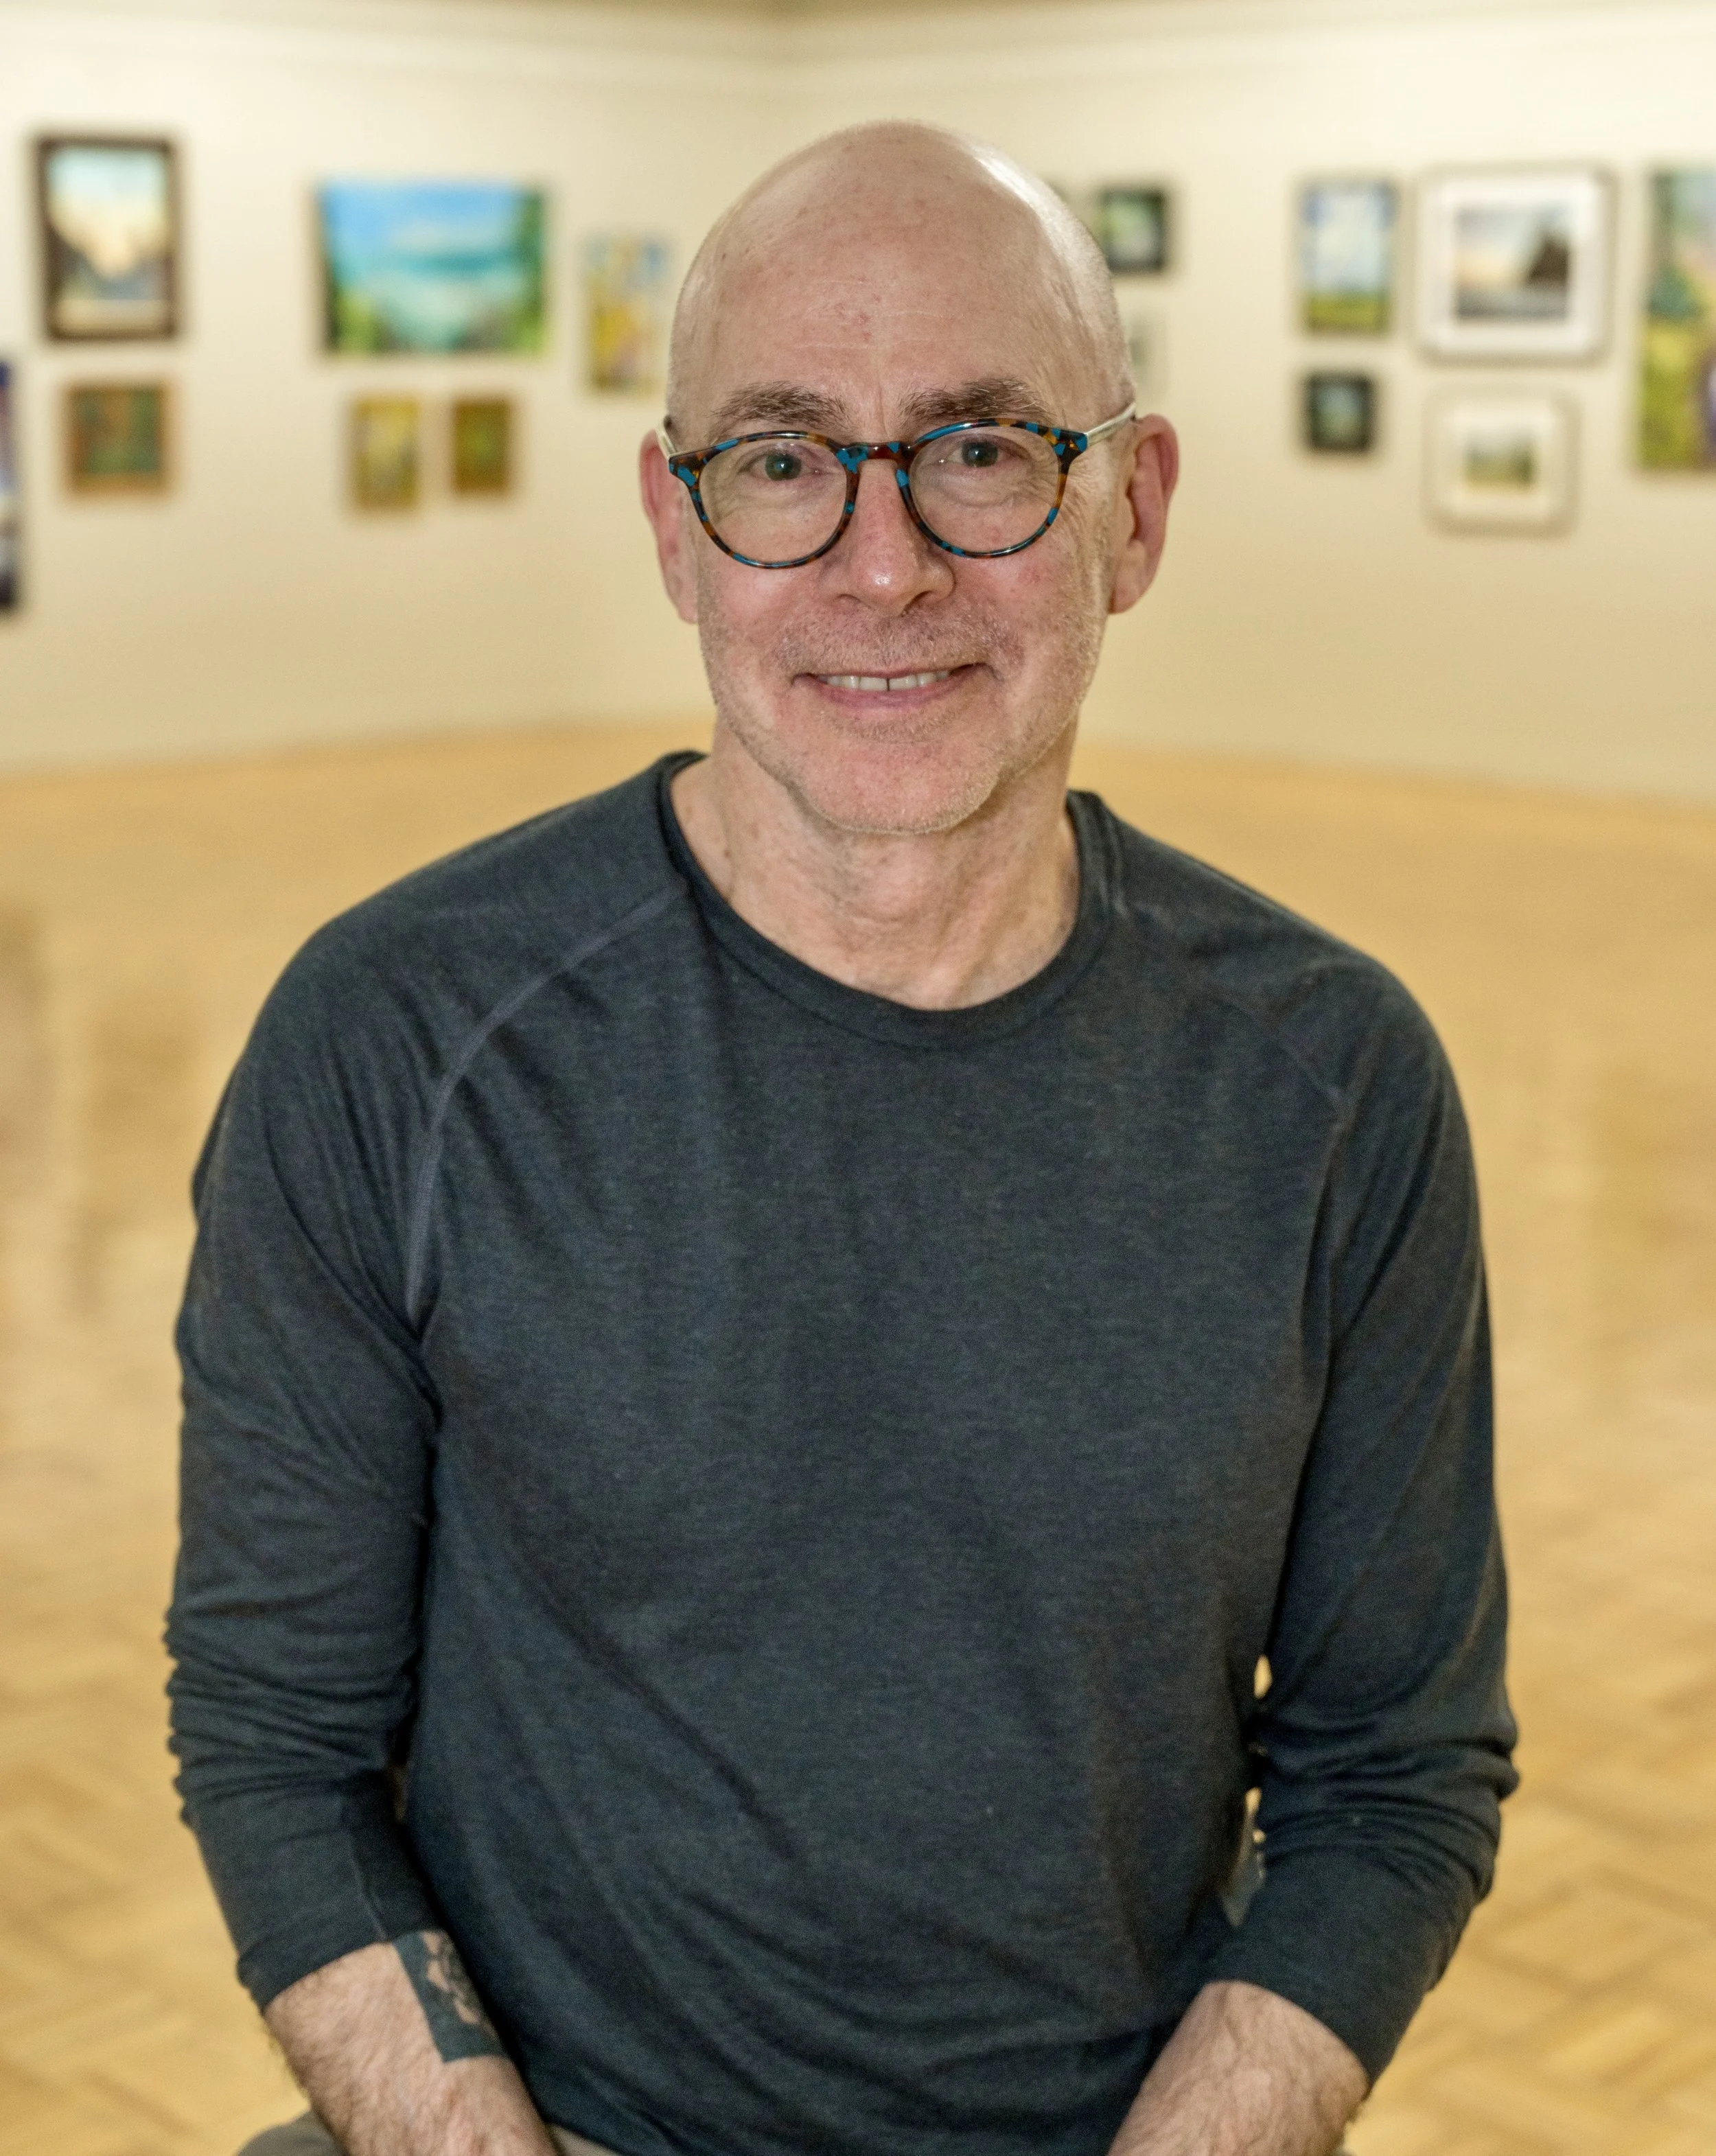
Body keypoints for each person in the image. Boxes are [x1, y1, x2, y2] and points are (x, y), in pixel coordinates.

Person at [167, 122, 1516, 2156]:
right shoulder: (392, 1038)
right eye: (784, 458)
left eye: (978, 448)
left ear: (1127, 509)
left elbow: (1391, 1772)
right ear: (674, 524)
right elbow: (278, 1739)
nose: (881, 566)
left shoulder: (1333, 1083)